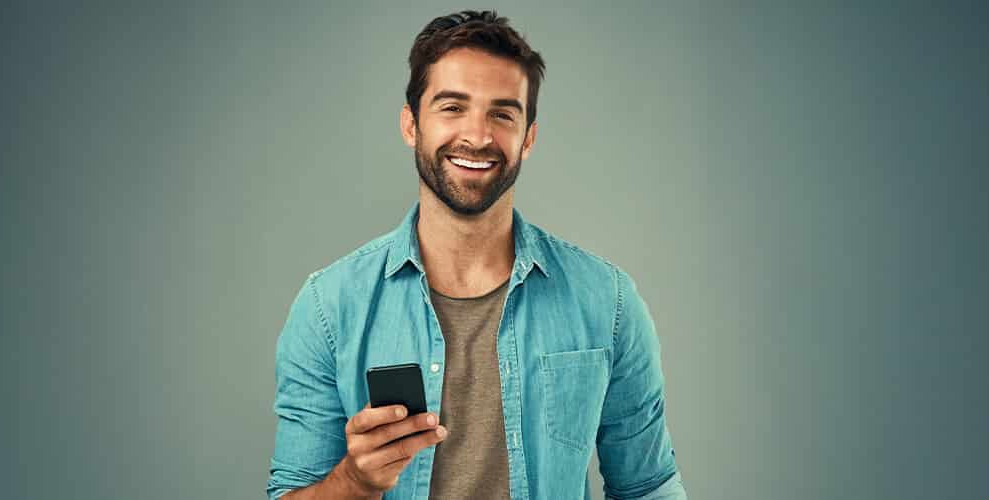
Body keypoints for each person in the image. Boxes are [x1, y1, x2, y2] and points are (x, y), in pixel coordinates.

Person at [268, 10, 688, 499]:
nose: (478, 135)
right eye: (452, 107)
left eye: (502, 114)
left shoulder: (608, 301)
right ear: (411, 124)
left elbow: (649, 486)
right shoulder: (329, 307)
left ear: (528, 137)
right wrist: (356, 481)